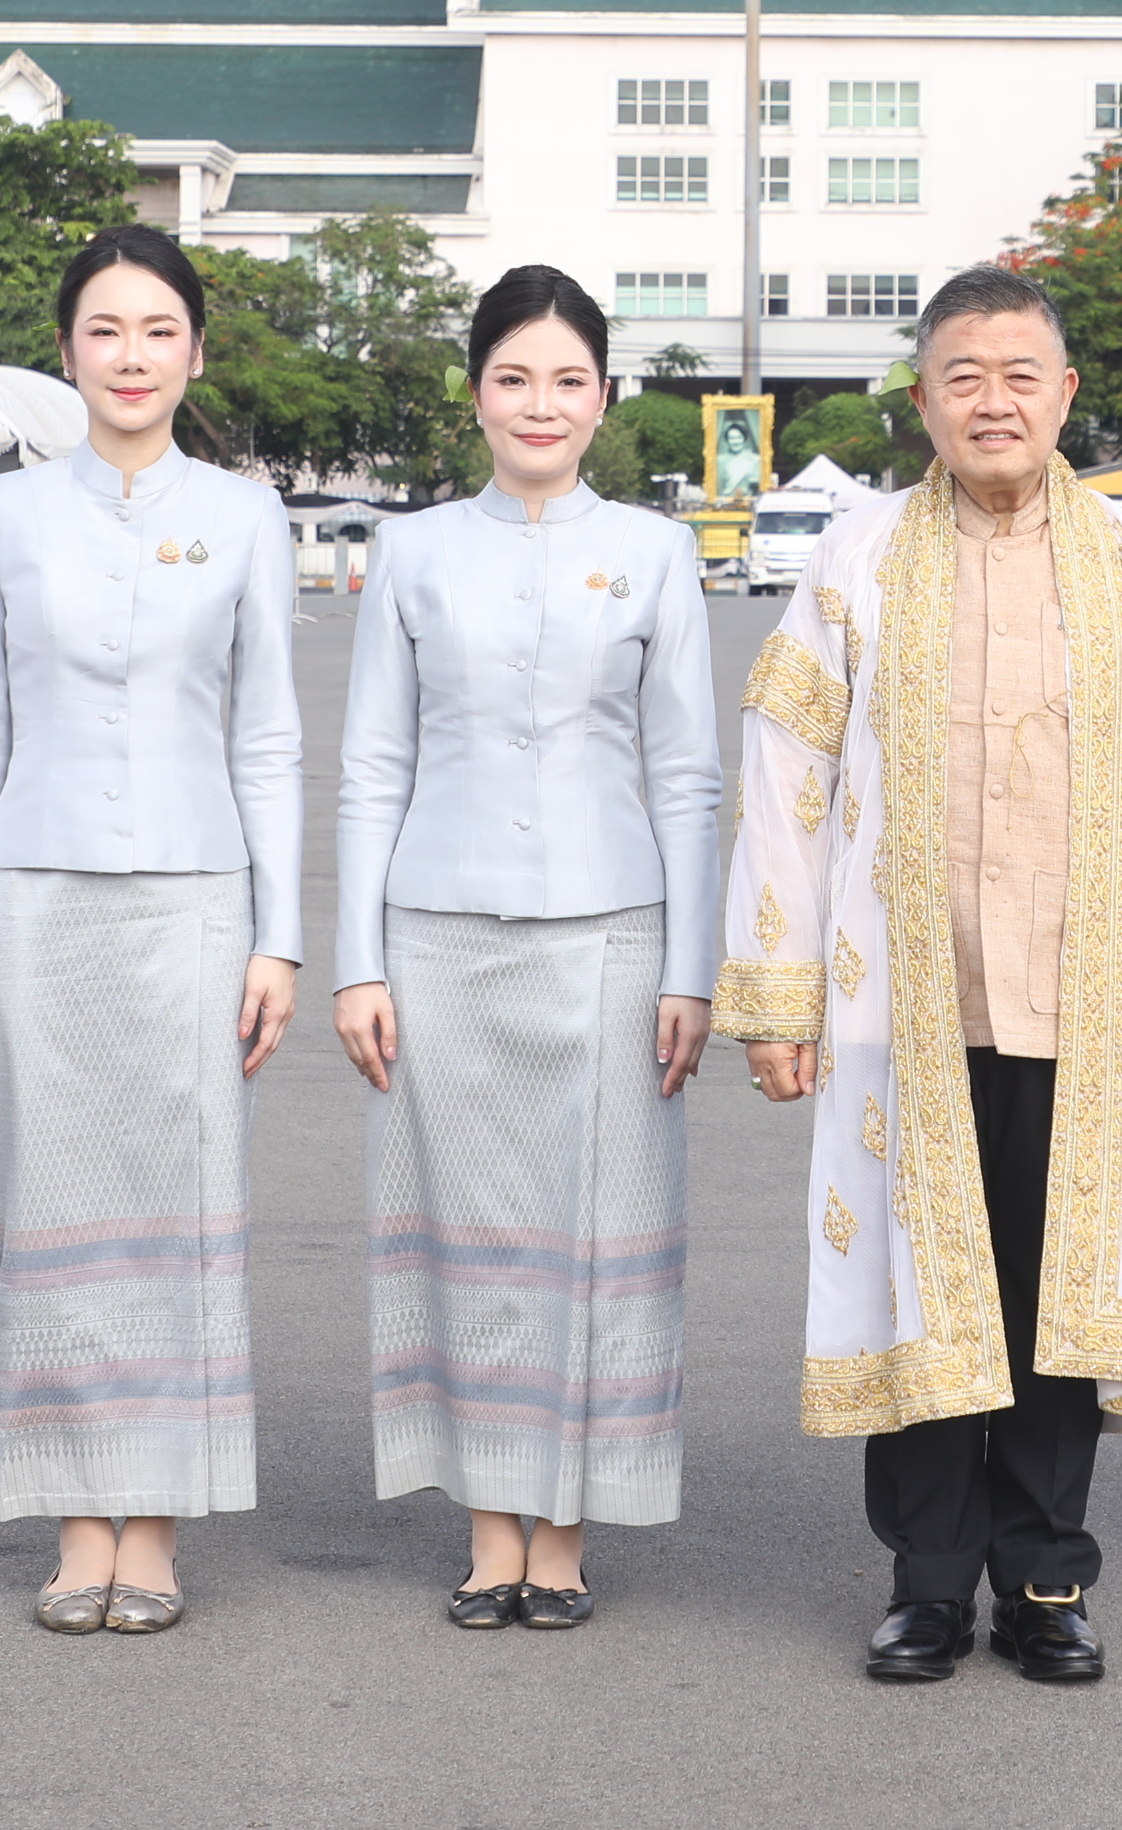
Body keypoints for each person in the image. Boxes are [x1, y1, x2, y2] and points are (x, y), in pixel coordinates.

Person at [713, 264, 1122, 1687]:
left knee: (1052, 1292)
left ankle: (1047, 1582)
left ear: (1066, 394)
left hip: (1085, 1003)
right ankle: (927, 1584)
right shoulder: (859, 553)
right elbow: (786, 774)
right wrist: (771, 994)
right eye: (966, 375)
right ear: (925, 401)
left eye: (1022, 373)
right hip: (903, 999)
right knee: (923, 1283)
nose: (995, 399)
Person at [0, 225, 303, 1634]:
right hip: (38, 898)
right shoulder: (9, 516)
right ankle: (83, 1521)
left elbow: (267, 738)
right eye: (105, 330)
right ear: (67, 350)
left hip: (200, 904)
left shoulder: (245, 515)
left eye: (158, 331)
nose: (132, 356)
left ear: (192, 352)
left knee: (183, 1209)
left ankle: (161, 1521)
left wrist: (281, 937)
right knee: (58, 1204)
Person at [331, 263, 719, 1629]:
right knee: (472, 1240)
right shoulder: (418, 549)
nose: (539, 404)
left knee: (597, 1240)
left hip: (614, 940)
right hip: (439, 936)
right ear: (476, 394)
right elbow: (373, 761)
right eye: (513, 378)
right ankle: (492, 1528)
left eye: (567, 380)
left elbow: (687, 776)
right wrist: (355, 961)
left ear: (603, 400)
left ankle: (565, 1533)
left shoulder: (657, 554)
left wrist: (692, 968)